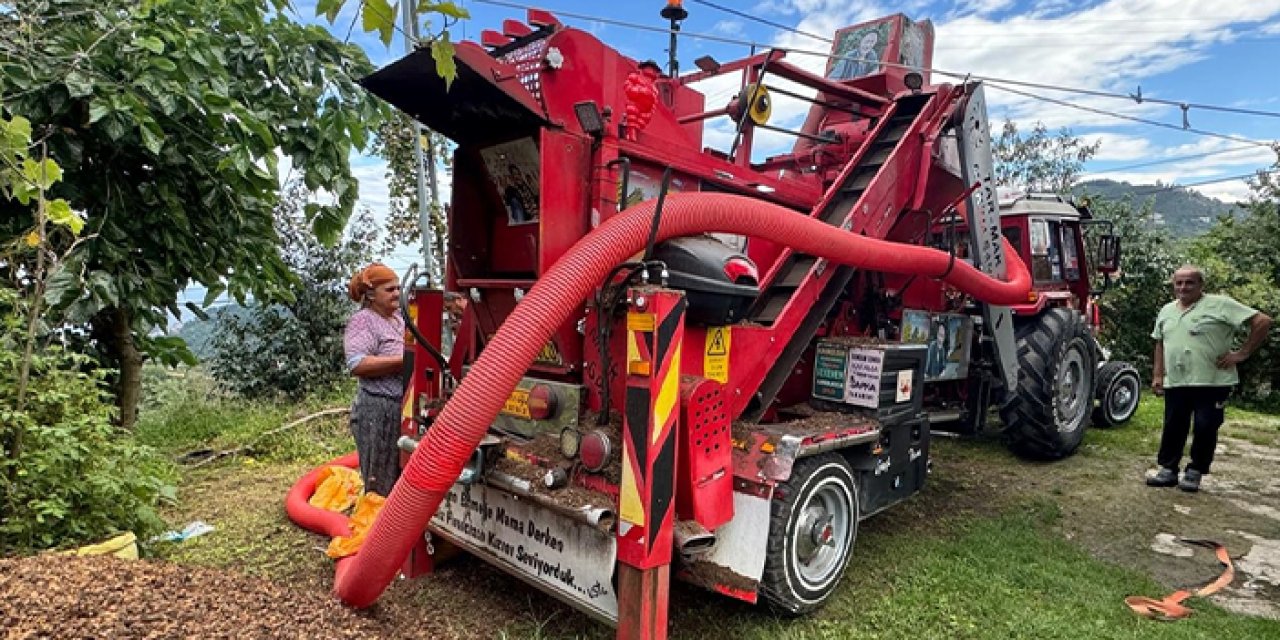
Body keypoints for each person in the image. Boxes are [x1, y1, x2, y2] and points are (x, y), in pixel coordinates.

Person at [1147, 265, 1271, 492]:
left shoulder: (1219, 304)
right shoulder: (1167, 310)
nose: (1183, 287)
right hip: (1177, 380)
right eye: (1179, 283)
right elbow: (1160, 342)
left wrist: (1242, 353)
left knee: (1205, 426)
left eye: (1189, 282)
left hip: (1213, 380)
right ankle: (1168, 469)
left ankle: (1195, 470)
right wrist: (1157, 374)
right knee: (1173, 425)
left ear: (1201, 285)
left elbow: (1262, 321)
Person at [344, 263, 406, 497]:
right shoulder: (364, 321)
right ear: (371, 295)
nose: (397, 294)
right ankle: (376, 517)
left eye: (398, 288)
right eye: (389, 290)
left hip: (403, 405)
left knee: (402, 473)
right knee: (380, 478)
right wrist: (404, 361)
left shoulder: (399, 318)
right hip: (378, 409)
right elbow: (357, 363)